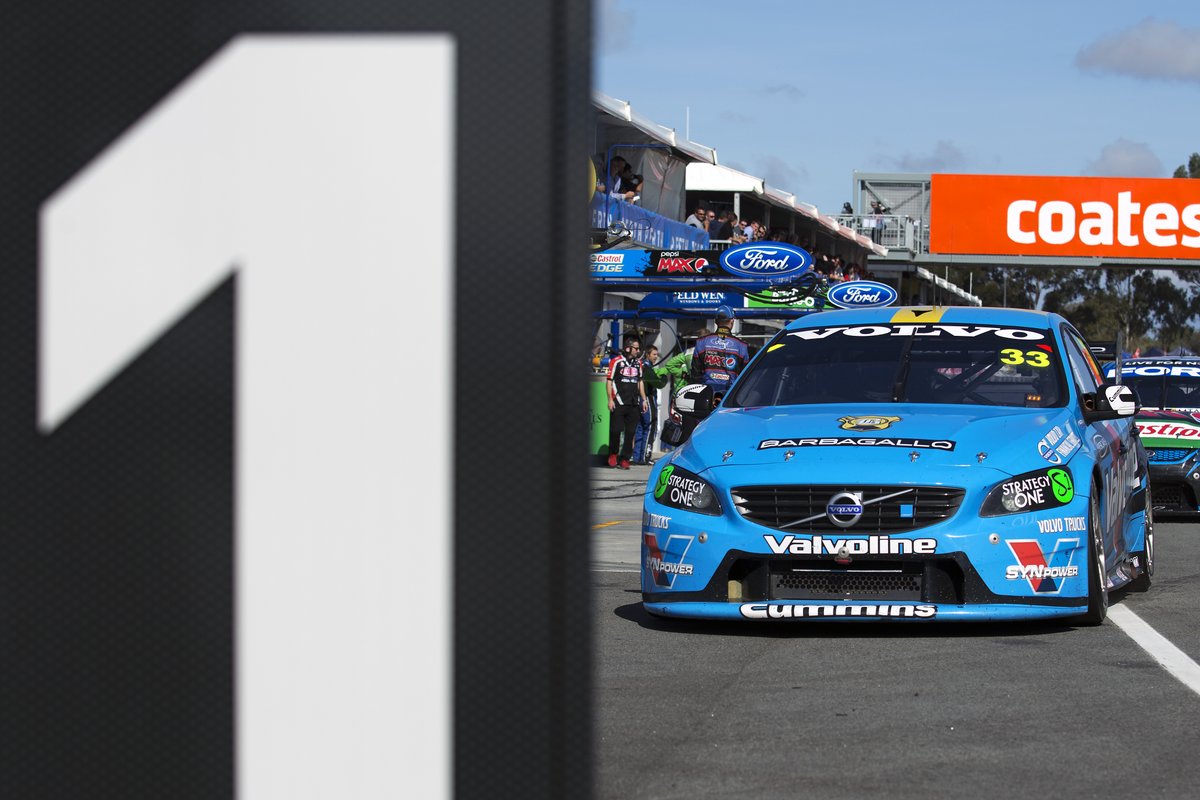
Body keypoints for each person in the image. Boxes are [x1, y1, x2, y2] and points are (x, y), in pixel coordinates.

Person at [691, 305, 749, 401]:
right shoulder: (742, 346)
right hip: (729, 397)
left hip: (706, 396)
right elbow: (745, 377)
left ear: (716, 321)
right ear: (732, 321)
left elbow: (695, 375)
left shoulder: (701, 342)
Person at [606, 335, 648, 469]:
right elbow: (609, 380)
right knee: (616, 430)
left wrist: (644, 399)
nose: (637, 351)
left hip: (634, 403)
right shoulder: (616, 361)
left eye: (638, 348)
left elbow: (640, 381)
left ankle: (625, 458)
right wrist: (610, 399)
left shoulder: (638, 363)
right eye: (635, 348)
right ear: (628, 348)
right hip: (619, 402)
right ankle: (613, 454)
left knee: (630, 433)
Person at [633, 344, 666, 464]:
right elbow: (659, 383)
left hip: (642, 399)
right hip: (647, 398)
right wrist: (664, 375)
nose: (656, 357)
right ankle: (645, 457)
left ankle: (637, 457)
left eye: (657, 355)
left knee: (641, 427)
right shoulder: (646, 367)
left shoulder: (642, 365)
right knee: (649, 426)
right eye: (654, 354)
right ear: (647, 354)